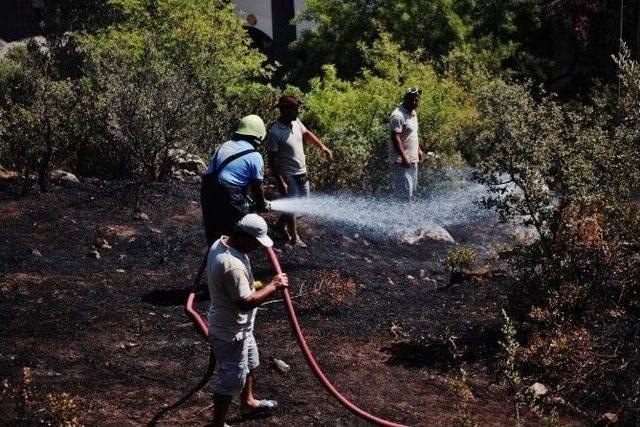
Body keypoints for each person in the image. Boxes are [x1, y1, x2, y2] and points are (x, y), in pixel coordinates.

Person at [207, 214, 289, 427]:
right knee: (231, 379)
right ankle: (218, 424)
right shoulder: (232, 265)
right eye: (254, 242)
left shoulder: (222, 242)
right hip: (230, 332)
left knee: (251, 362)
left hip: (242, 328)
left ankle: (248, 402)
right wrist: (273, 286)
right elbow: (244, 303)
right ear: (243, 236)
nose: (257, 247)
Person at [266, 95, 333, 248]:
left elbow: (307, 134)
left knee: (302, 205)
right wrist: (280, 181)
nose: (297, 112)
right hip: (288, 175)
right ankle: (294, 238)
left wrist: (322, 147)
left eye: (297, 109)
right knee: (293, 205)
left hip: (302, 171)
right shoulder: (275, 132)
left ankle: (279, 225)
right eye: (294, 109)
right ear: (284, 111)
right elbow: (272, 160)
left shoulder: (296, 123)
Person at [201, 115, 270, 245]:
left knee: (213, 234)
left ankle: (212, 258)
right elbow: (257, 188)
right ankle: (230, 262)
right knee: (234, 236)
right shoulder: (255, 156)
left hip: (207, 191)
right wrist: (262, 204)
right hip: (229, 197)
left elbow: (213, 172)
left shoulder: (224, 145)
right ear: (259, 137)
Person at [388, 88, 426, 201]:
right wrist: (404, 157)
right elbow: (395, 137)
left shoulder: (413, 113)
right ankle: (399, 217)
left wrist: (418, 150)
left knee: (412, 192)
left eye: (417, 100)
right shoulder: (397, 116)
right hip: (401, 161)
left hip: (412, 159)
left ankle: (410, 217)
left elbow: (412, 134)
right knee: (404, 194)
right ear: (405, 99)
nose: (415, 103)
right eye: (412, 100)